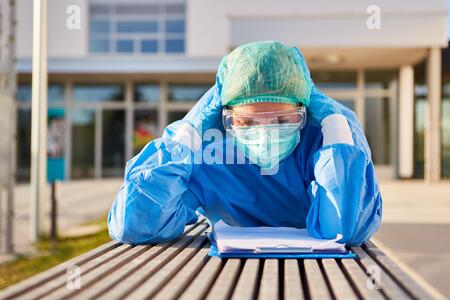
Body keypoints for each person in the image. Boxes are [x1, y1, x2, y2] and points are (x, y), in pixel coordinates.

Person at [108, 41, 382, 246]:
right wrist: (188, 133)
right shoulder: (206, 151)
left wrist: (336, 126)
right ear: (225, 118)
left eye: (283, 119)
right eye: (248, 123)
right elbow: (135, 223)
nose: (266, 134)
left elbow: (345, 229)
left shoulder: (322, 141)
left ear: (304, 112)